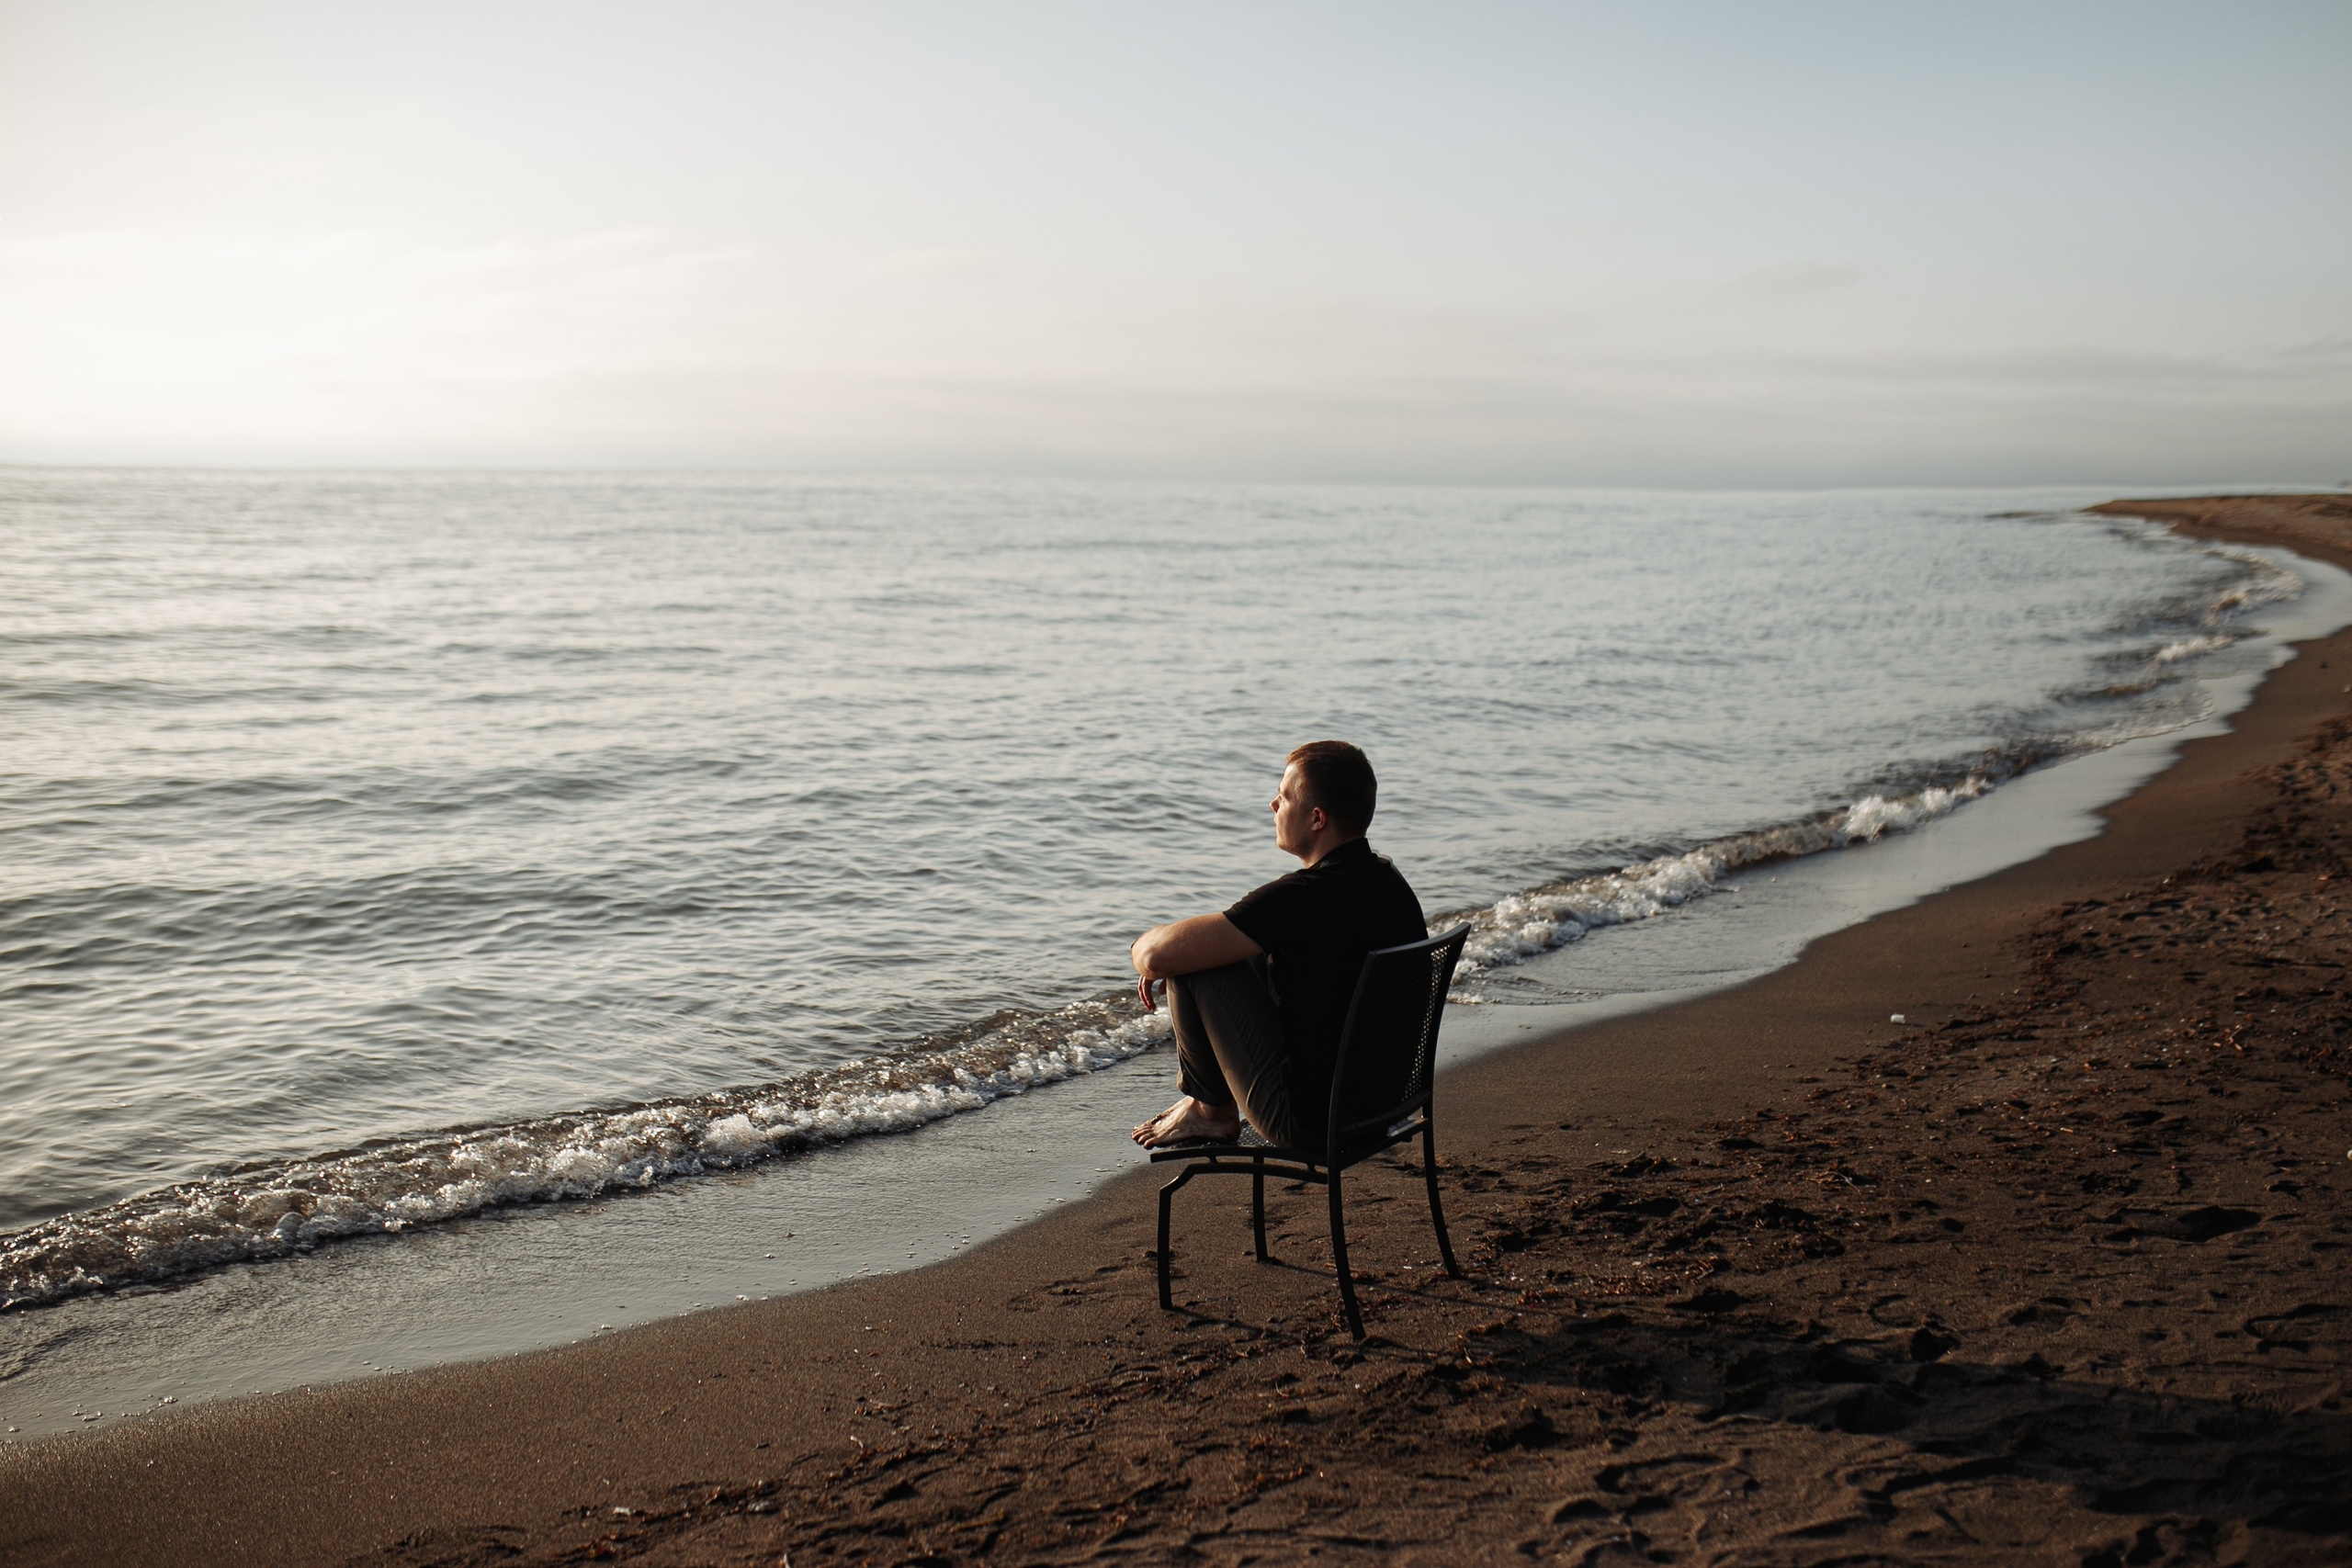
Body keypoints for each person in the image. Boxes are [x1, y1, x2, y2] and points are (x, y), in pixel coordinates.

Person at [1129, 740, 1427, 1150]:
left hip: (1309, 1123)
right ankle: (1207, 1104)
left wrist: (1147, 955)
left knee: (1191, 961)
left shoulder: (1302, 898)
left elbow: (1156, 956)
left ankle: (1211, 1111)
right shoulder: (1387, 881)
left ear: (1317, 818)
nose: (1273, 804)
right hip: (1379, 1108)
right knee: (1221, 950)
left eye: (1284, 797)